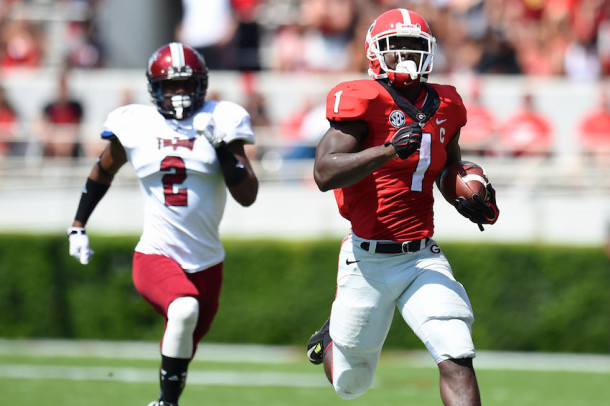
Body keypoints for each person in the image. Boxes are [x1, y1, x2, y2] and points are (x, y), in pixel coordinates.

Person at [305, 9, 499, 405]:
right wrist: (388, 150)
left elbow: (448, 167)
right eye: (398, 46)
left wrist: (467, 194)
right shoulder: (363, 100)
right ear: (377, 53)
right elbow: (325, 173)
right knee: (350, 383)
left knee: (456, 350)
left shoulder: (446, 103)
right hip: (366, 257)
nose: (407, 54)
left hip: (421, 256)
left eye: (415, 45)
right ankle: (330, 342)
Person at [66, 42, 258, 406]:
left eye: (186, 84)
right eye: (170, 85)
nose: (179, 92)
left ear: (201, 84)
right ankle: (165, 403)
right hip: (155, 254)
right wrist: (78, 224)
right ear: (154, 88)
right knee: (183, 309)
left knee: (184, 338)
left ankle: (167, 398)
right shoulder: (136, 124)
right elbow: (102, 170)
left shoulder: (223, 118)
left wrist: (219, 145)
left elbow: (247, 194)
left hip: (207, 263)